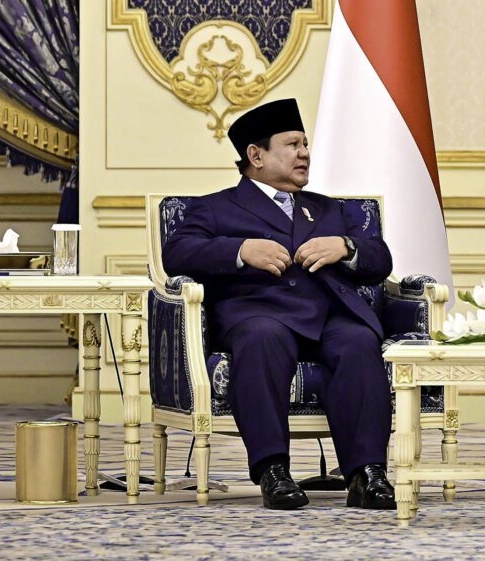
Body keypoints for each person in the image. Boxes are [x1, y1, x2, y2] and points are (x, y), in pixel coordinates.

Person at [161, 98, 398, 511]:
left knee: (359, 340)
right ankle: (273, 471)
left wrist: (346, 246)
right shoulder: (215, 207)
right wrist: (240, 250)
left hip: (329, 316)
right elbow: (177, 253)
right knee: (262, 337)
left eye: (305, 144)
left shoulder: (329, 209)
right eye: (292, 144)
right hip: (260, 315)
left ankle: (367, 474)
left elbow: (381, 261)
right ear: (256, 155)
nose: (304, 153)